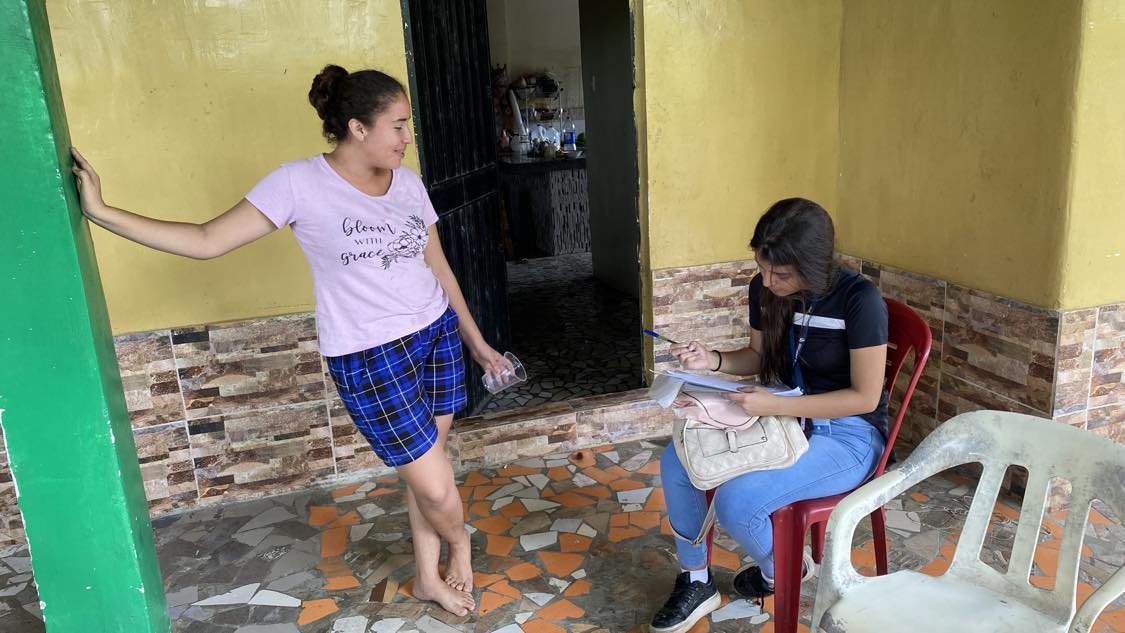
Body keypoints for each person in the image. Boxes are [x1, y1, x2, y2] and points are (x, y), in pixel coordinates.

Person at [70, 64, 510, 617]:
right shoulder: (298, 184)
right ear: (357, 128)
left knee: (428, 471)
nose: (407, 138)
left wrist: (477, 343)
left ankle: (427, 577)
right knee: (437, 486)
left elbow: (438, 267)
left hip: (436, 333)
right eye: (398, 126)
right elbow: (207, 240)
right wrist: (102, 212)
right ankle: (460, 543)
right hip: (370, 355)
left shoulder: (409, 183)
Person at [650, 198, 889, 633]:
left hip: (849, 434)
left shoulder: (860, 300)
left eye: (780, 274)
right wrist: (713, 359)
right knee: (677, 460)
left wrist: (776, 405)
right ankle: (696, 580)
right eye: (762, 269)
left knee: (737, 503)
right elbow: (758, 357)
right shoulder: (765, 290)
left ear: (814, 266)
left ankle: (784, 569)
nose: (767, 282)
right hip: (784, 417)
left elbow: (865, 398)